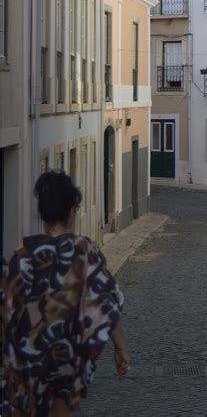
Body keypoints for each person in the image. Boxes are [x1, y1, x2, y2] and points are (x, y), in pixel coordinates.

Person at [1, 170, 129, 416]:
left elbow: (8, 311)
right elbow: (106, 301)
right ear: (72, 211)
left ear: (43, 214)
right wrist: (120, 347)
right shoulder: (83, 251)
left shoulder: (22, 255)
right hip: (67, 361)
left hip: (26, 362)